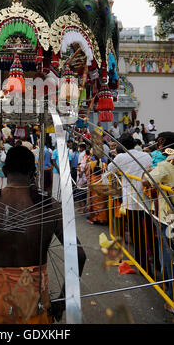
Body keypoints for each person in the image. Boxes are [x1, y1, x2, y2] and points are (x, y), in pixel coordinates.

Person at [0, 146, 86, 324]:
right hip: (35, 309)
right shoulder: (50, 207)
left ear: (4, 171)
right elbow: (79, 255)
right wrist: (62, 300)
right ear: (33, 173)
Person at [107, 133, 157, 276]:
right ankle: (155, 262)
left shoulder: (121, 157)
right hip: (147, 201)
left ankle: (144, 267)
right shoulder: (145, 155)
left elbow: (110, 169)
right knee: (150, 232)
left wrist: (117, 154)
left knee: (137, 236)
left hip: (132, 203)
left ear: (120, 145)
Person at [142, 147, 174, 311]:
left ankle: (171, 297)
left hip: (169, 218)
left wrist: (149, 171)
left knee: (168, 256)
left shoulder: (166, 163)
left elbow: (146, 180)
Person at [87, 155, 108, 225]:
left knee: (93, 202)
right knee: (102, 201)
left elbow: (88, 174)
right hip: (102, 184)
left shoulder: (90, 164)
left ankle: (94, 219)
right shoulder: (104, 164)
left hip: (93, 183)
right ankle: (102, 219)